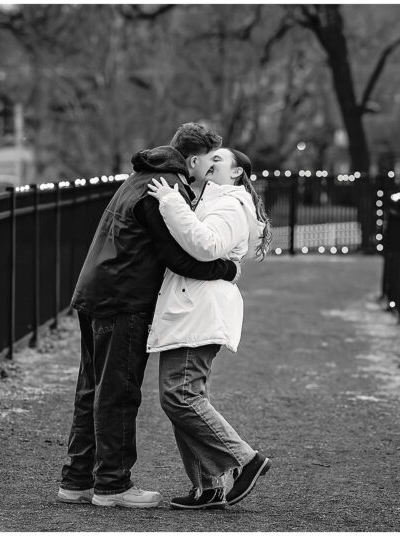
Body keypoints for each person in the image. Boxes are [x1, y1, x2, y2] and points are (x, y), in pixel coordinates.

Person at [58, 123, 239, 509]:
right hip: (124, 299)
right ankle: (112, 485)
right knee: (118, 392)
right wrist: (228, 269)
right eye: (209, 163)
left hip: (96, 292)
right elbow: (174, 255)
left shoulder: (143, 177)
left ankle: (76, 480)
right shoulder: (166, 188)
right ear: (192, 159)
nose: (210, 172)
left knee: (92, 388)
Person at [145, 147, 272, 510]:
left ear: (235, 174)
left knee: (181, 396)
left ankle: (245, 461)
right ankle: (208, 486)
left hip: (199, 308)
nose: (210, 162)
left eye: (219, 160)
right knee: (180, 399)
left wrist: (170, 202)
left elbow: (206, 246)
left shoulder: (231, 204)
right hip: (189, 306)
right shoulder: (210, 200)